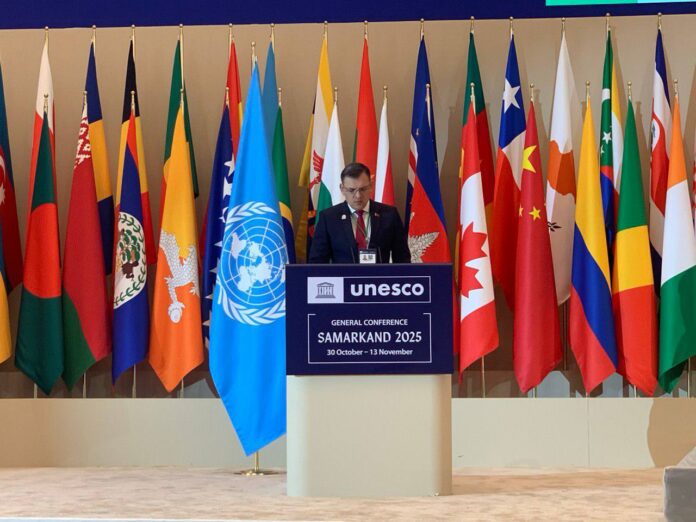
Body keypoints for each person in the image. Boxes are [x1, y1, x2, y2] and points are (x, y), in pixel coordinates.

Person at [308, 162, 411, 264]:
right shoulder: (329, 218)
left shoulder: (389, 215)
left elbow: (402, 258)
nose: (358, 196)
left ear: (371, 186)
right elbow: (317, 261)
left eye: (363, 189)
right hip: (343, 275)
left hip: (379, 275)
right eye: (351, 190)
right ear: (342, 189)